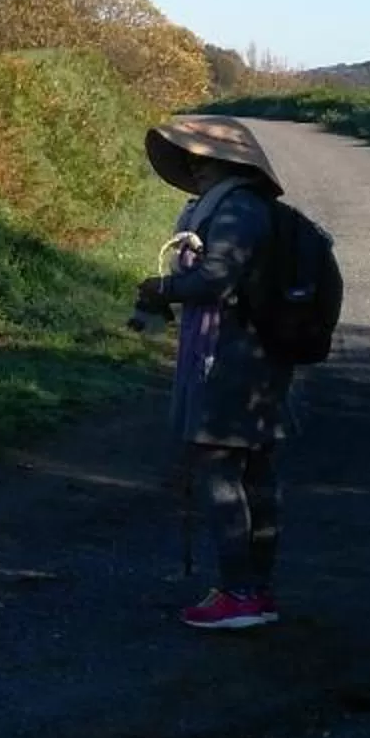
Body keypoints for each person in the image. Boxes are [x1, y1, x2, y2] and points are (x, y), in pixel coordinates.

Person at [133, 116, 298, 631]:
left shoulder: (237, 209)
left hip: (232, 361)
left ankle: (241, 593)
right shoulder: (246, 206)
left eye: (202, 159)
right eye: (191, 157)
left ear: (230, 162)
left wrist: (162, 289)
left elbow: (216, 278)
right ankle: (254, 589)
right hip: (255, 358)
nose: (193, 167)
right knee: (255, 476)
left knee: (224, 474)